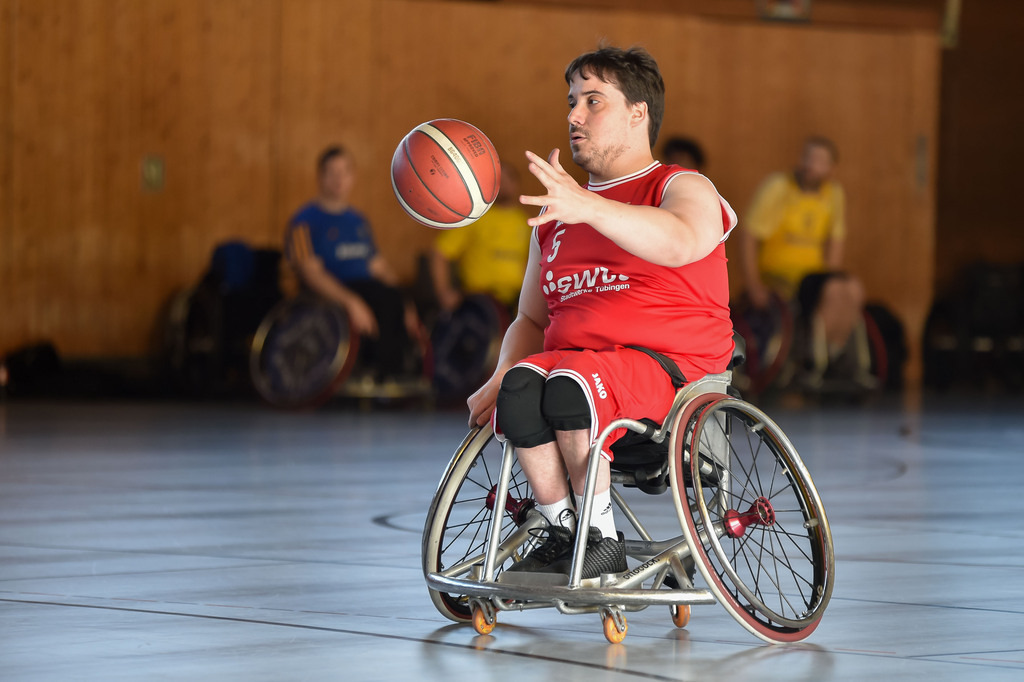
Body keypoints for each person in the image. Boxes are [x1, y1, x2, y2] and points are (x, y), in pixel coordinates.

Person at [466, 46, 738, 580]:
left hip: (672, 375)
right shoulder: (558, 216)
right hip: (585, 369)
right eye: (572, 101)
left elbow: (684, 241)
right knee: (523, 386)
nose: (573, 115)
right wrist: (501, 373)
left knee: (570, 381)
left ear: (639, 114)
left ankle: (600, 540)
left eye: (594, 101)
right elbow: (532, 320)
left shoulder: (681, 187)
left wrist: (591, 206)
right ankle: (565, 531)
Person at [739, 137, 870, 389]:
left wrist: (831, 276)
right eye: (807, 158)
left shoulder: (833, 194)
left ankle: (836, 354)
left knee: (852, 288)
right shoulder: (778, 187)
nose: (811, 165)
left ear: (831, 169)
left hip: (813, 275)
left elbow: (835, 240)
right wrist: (754, 284)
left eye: (820, 161)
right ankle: (816, 363)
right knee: (832, 291)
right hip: (779, 276)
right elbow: (748, 236)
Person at [285, 145, 419, 383]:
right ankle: (380, 372)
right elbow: (310, 274)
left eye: (344, 172)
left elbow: (378, 266)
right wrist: (350, 301)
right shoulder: (304, 221)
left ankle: (400, 373)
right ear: (321, 176)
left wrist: (405, 303)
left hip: (367, 286)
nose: (338, 180)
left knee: (392, 297)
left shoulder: (357, 220)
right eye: (331, 173)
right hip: (333, 291)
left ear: (352, 178)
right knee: (379, 299)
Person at [428, 161, 531, 315]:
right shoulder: (475, 217)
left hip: (518, 299)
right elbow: (439, 253)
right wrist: (444, 292)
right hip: (482, 301)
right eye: (498, 179)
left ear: (516, 184)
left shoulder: (525, 221)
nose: (503, 183)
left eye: (508, 178)